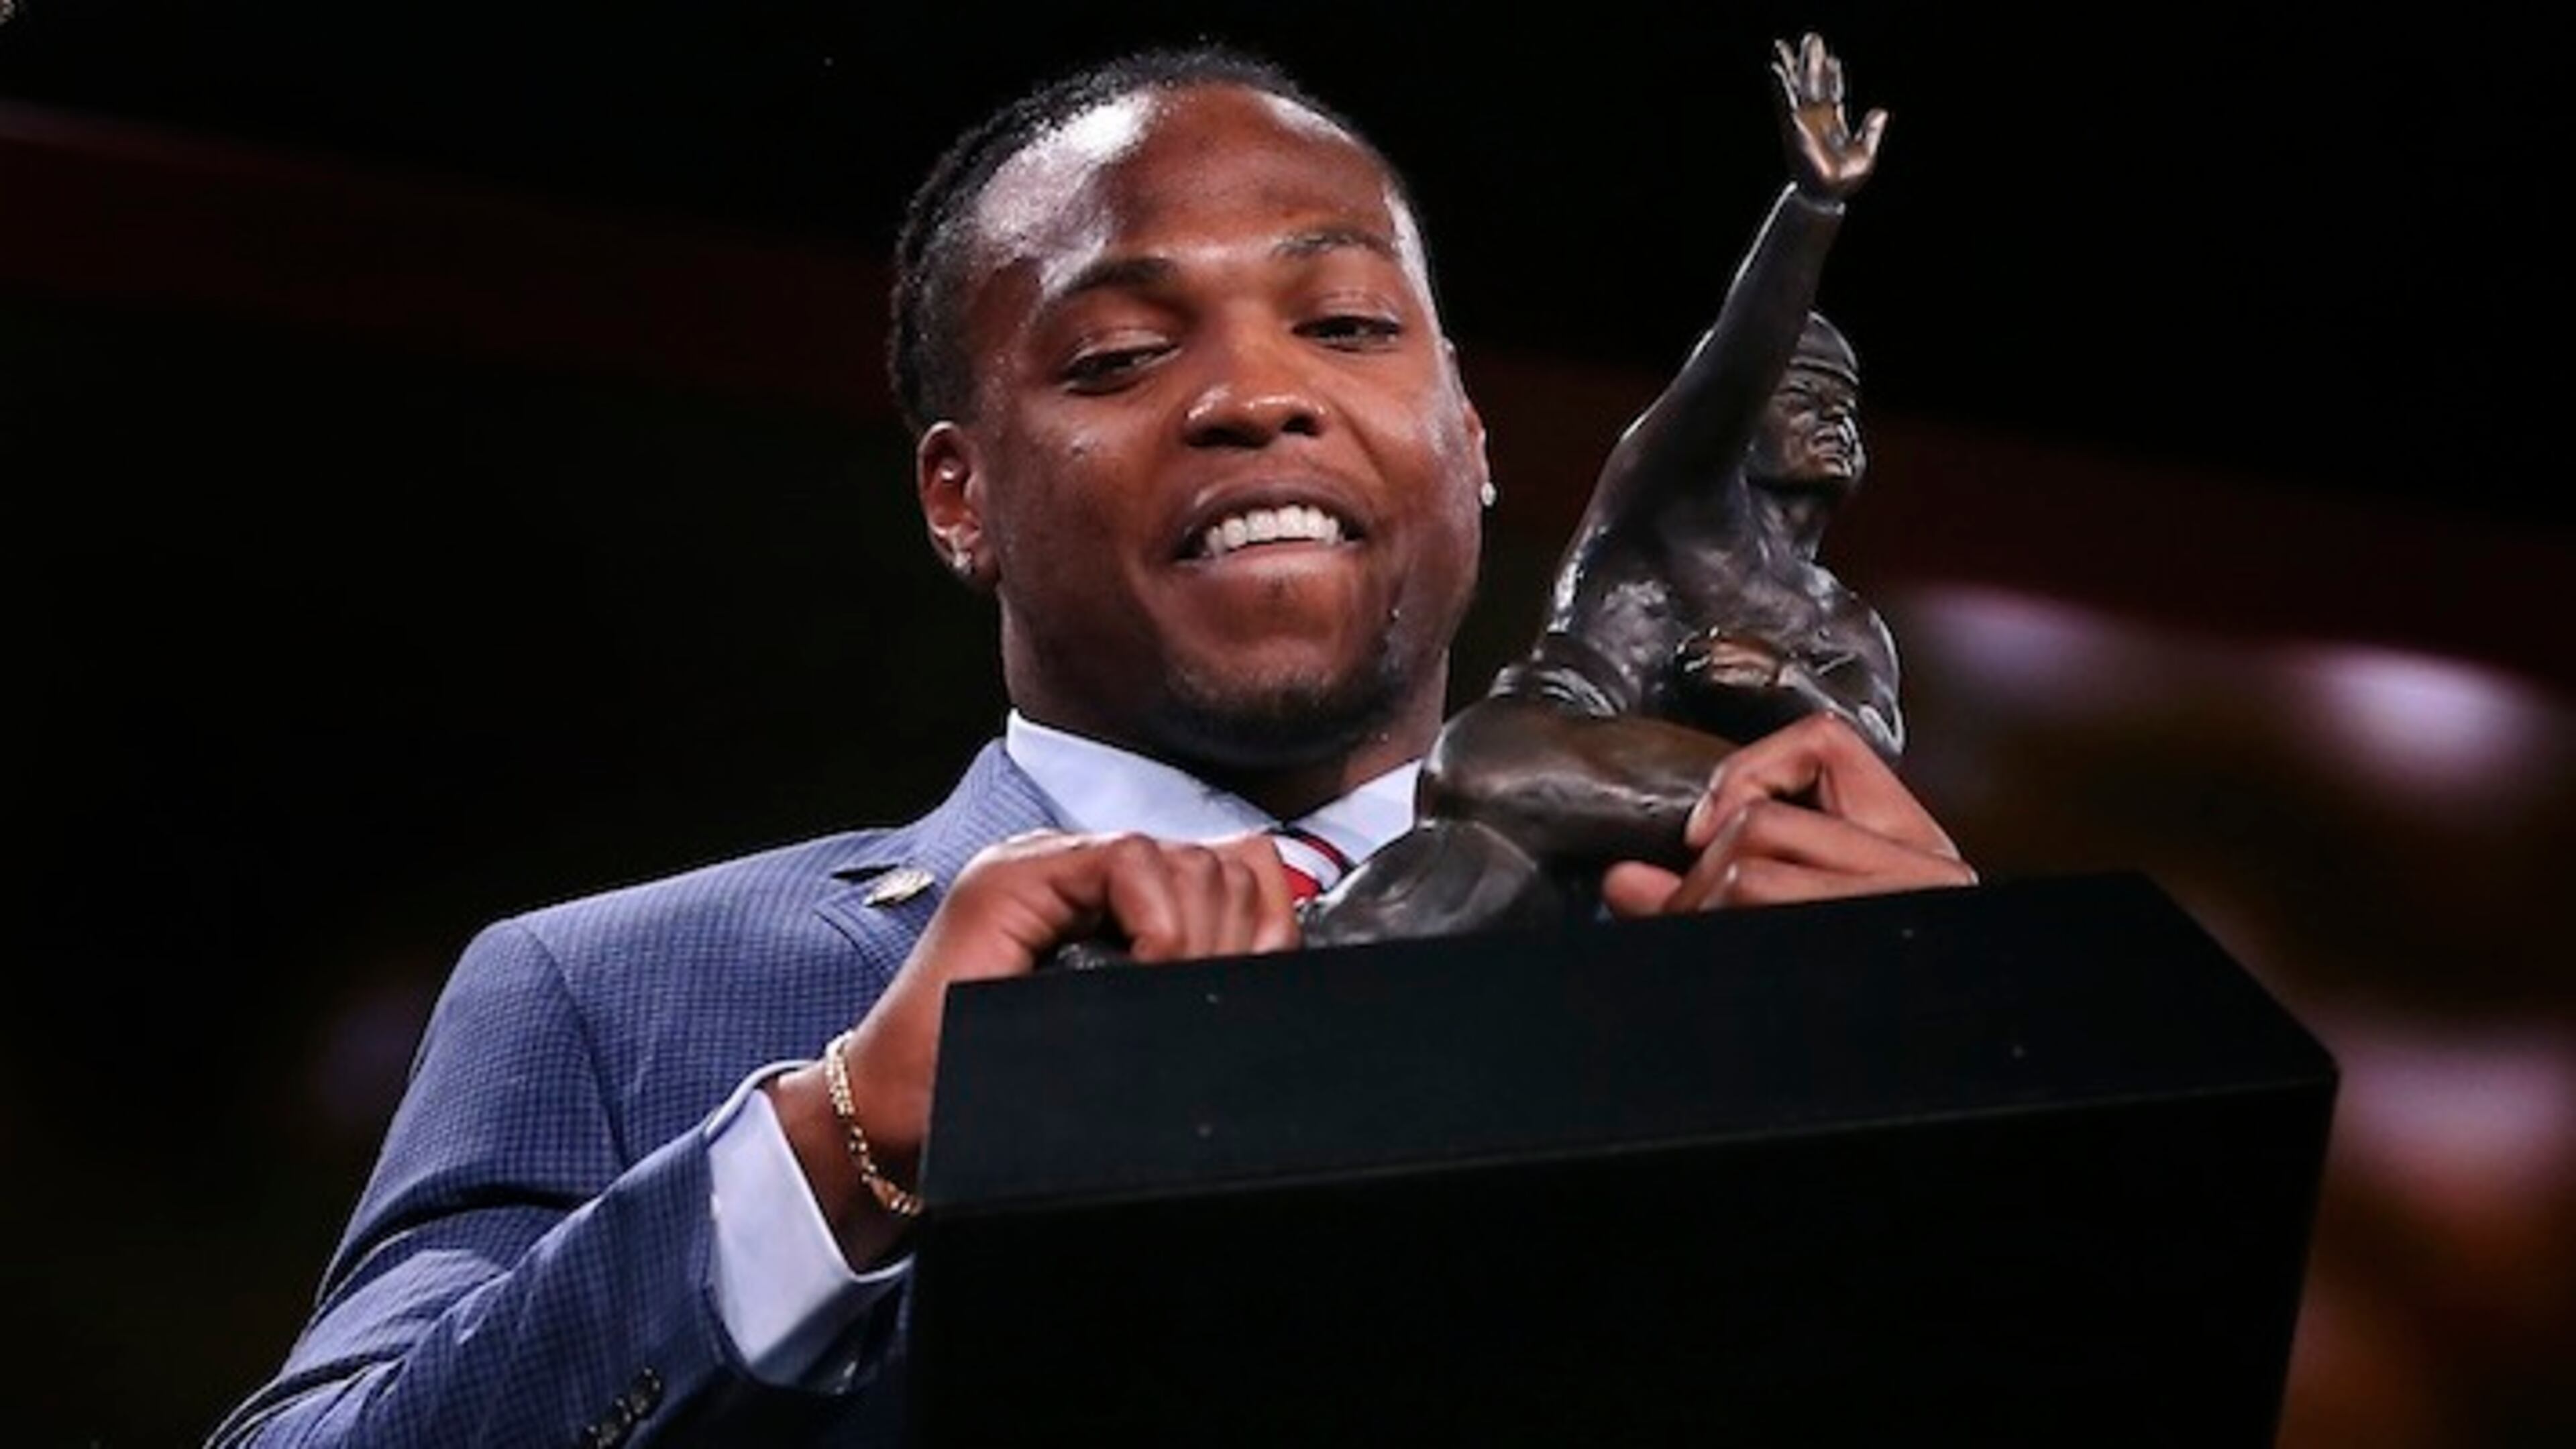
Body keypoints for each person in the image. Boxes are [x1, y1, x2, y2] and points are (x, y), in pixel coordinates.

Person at [211, 36, 1973, 1448]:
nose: (1257, 394)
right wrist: (847, 1142)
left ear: (1473, 443)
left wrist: (2004, 1094)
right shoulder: (614, 998)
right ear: (959, 497)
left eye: (1351, 327)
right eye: (1122, 354)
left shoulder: (1790, 958)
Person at [1300, 33, 1913, 947]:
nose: (1834, 417)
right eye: (1805, 392)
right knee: (1805, 833)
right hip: (1543, 748)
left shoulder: (1849, 622)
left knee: (1441, 905)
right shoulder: (1678, 502)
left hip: (1615, 851)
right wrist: (1812, 209)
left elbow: (1870, 750)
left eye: (1847, 403)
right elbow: (1732, 364)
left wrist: (1786, 683)